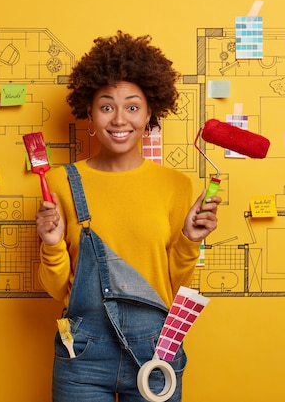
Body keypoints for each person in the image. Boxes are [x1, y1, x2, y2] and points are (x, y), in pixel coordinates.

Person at [35, 31, 220, 402]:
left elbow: (174, 282)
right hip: (82, 355)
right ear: (89, 111)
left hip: (156, 350)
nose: (120, 119)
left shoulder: (175, 185)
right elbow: (57, 289)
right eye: (107, 106)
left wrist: (190, 241)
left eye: (132, 107)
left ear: (151, 112)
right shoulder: (59, 182)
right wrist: (52, 246)